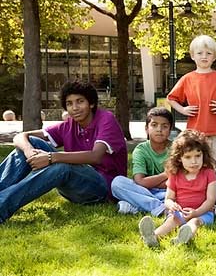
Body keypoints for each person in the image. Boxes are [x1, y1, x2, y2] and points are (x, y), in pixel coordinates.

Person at [0, 81, 127, 224]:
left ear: (91, 103)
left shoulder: (106, 119)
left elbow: (95, 156)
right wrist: (29, 151)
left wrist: (51, 157)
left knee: (62, 166)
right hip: (75, 185)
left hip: (102, 188)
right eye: (69, 103)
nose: (75, 108)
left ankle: (1, 206)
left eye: (80, 102)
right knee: (33, 142)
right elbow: (21, 136)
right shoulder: (69, 125)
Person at [167, 35, 216, 170]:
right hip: (194, 131)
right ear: (192, 56)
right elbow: (171, 98)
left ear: (215, 57)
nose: (204, 56)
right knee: (196, 162)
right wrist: (183, 110)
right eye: (200, 53)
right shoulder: (187, 79)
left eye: (209, 53)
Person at [138, 129, 216, 247]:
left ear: (203, 155)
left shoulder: (209, 173)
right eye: (188, 157)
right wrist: (172, 205)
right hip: (180, 212)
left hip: (203, 213)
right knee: (171, 222)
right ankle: (152, 237)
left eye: (198, 156)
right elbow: (168, 198)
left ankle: (184, 237)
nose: (194, 161)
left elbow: (211, 200)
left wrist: (196, 212)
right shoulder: (175, 175)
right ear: (179, 158)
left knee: (194, 222)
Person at [111, 107, 173, 216]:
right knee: (117, 183)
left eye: (164, 126)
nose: (159, 129)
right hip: (142, 191)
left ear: (170, 129)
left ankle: (135, 206)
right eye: (154, 125)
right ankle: (160, 207)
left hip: (168, 192)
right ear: (146, 128)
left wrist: (151, 183)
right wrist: (166, 174)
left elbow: (177, 182)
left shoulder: (176, 149)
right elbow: (139, 181)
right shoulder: (141, 150)